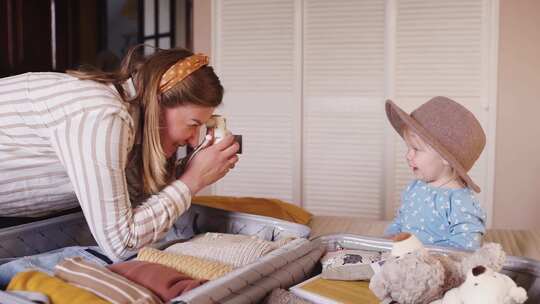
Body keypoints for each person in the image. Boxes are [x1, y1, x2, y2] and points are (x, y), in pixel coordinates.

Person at [0, 46, 240, 261]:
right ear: (159, 102)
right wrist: (192, 180)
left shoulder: (127, 123)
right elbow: (121, 242)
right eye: (193, 123)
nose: (192, 139)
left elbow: (136, 200)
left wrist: (190, 169)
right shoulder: (103, 115)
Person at [384, 96, 487, 250]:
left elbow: (467, 246)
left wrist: (437, 262)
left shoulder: (459, 201)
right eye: (408, 148)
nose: (408, 155)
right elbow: (401, 221)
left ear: (446, 159)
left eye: (416, 149)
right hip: (403, 258)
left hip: (435, 267)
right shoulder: (415, 187)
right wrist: (388, 240)